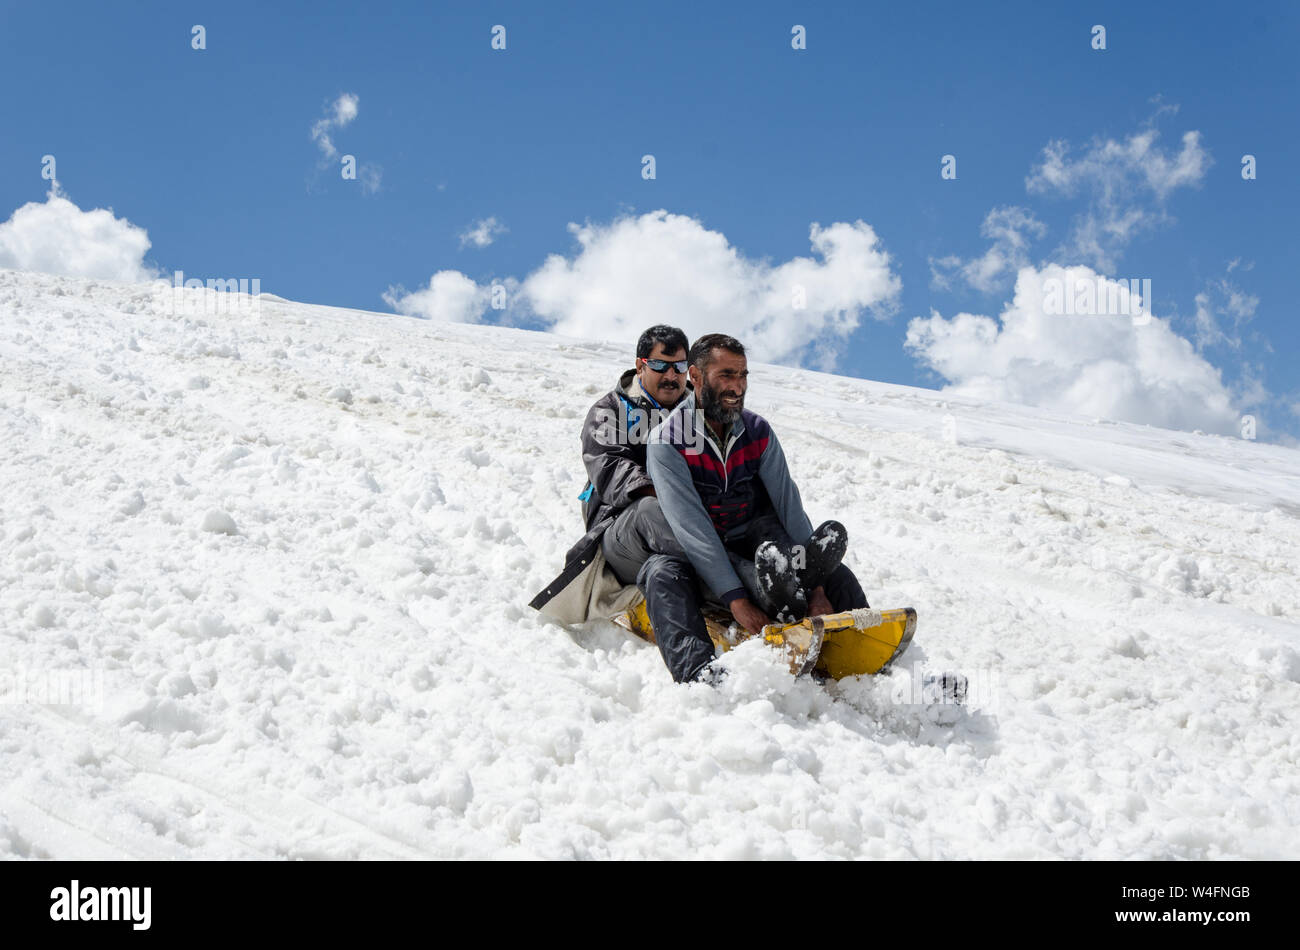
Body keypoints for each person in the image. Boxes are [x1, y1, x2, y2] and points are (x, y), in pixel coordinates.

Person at [642, 333, 870, 683]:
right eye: (726, 376)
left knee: (833, 574)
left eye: (743, 375)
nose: (737, 386)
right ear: (696, 377)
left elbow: (788, 505)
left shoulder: (758, 430)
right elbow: (694, 532)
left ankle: (866, 643)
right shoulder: (667, 441)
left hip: (755, 542)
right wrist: (736, 601)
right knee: (670, 574)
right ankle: (703, 678)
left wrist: (819, 587)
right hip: (703, 555)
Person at [529, 325, 695, 627]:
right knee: (650, 511)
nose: (671, 376)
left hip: (693, 528)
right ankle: (734, 581)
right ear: (640, 365)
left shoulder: (702, 414)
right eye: (660, 365)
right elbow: (610, 467)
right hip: (623, 533)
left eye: (680, 367)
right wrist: (672, 498)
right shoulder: (610, 411)